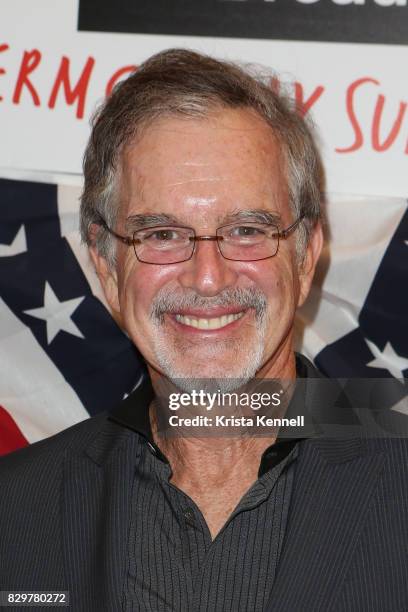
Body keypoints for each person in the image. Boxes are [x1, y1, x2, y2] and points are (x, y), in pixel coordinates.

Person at [0, 49, 407, 612]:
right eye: (163, 234)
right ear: (105, 263)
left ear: (307, 254)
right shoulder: (15, 512)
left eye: (246, 229)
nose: (209, 278)